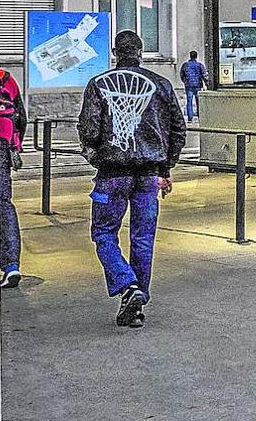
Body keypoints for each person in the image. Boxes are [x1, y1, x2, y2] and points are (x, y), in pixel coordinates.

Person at [77, 30, 186, 329]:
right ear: (140, 52)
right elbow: (178, 129)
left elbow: (88, 131)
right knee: (142, 237)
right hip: (149, 175)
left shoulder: (99, 84)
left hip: (112, 175)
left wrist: (96, 156)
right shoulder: (161, 85)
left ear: (115, 53)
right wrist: (166, 168)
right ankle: (137, 304)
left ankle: (127, 286)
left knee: (103, 233)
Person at [0, 68, 27, 289]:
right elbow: (21, 117)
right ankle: (11, 266)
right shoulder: (5, 79)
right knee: (3, 203)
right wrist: (16, 147)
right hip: (3, 145)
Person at [178, 50, 207, 121]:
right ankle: (200, 117)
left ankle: (190, 118)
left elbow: (182, 75)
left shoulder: (185, 65)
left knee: (189, 101)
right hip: (198, 85)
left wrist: (185, 82)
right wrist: (206, 83)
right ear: (196, 56)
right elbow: (204, 75)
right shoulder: (199, 65)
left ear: (190, 56)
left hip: (189, 85)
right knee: (198, 101)